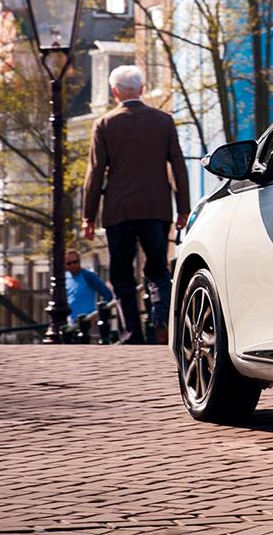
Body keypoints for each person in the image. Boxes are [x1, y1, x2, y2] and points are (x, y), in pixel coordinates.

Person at [82, 65, 190, 345]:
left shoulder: (104, 124)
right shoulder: (163, 121)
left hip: (119, 210)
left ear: (114, 92)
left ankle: (131, 334)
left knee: (121, 274)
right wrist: (183, 208)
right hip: (157, 207)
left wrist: (88, 216)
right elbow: (178, 165)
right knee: (157, 269)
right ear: (142, 89)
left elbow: (95, 172)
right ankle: (162, 320)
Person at [64, 250, 113, 325]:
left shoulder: (88, 275)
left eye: (75, 262)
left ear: (79, 261)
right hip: (71, 323)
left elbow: (107, 295)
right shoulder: (64, 278)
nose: (72, 265)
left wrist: (98, 314)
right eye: (69, 263)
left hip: (89, 321)